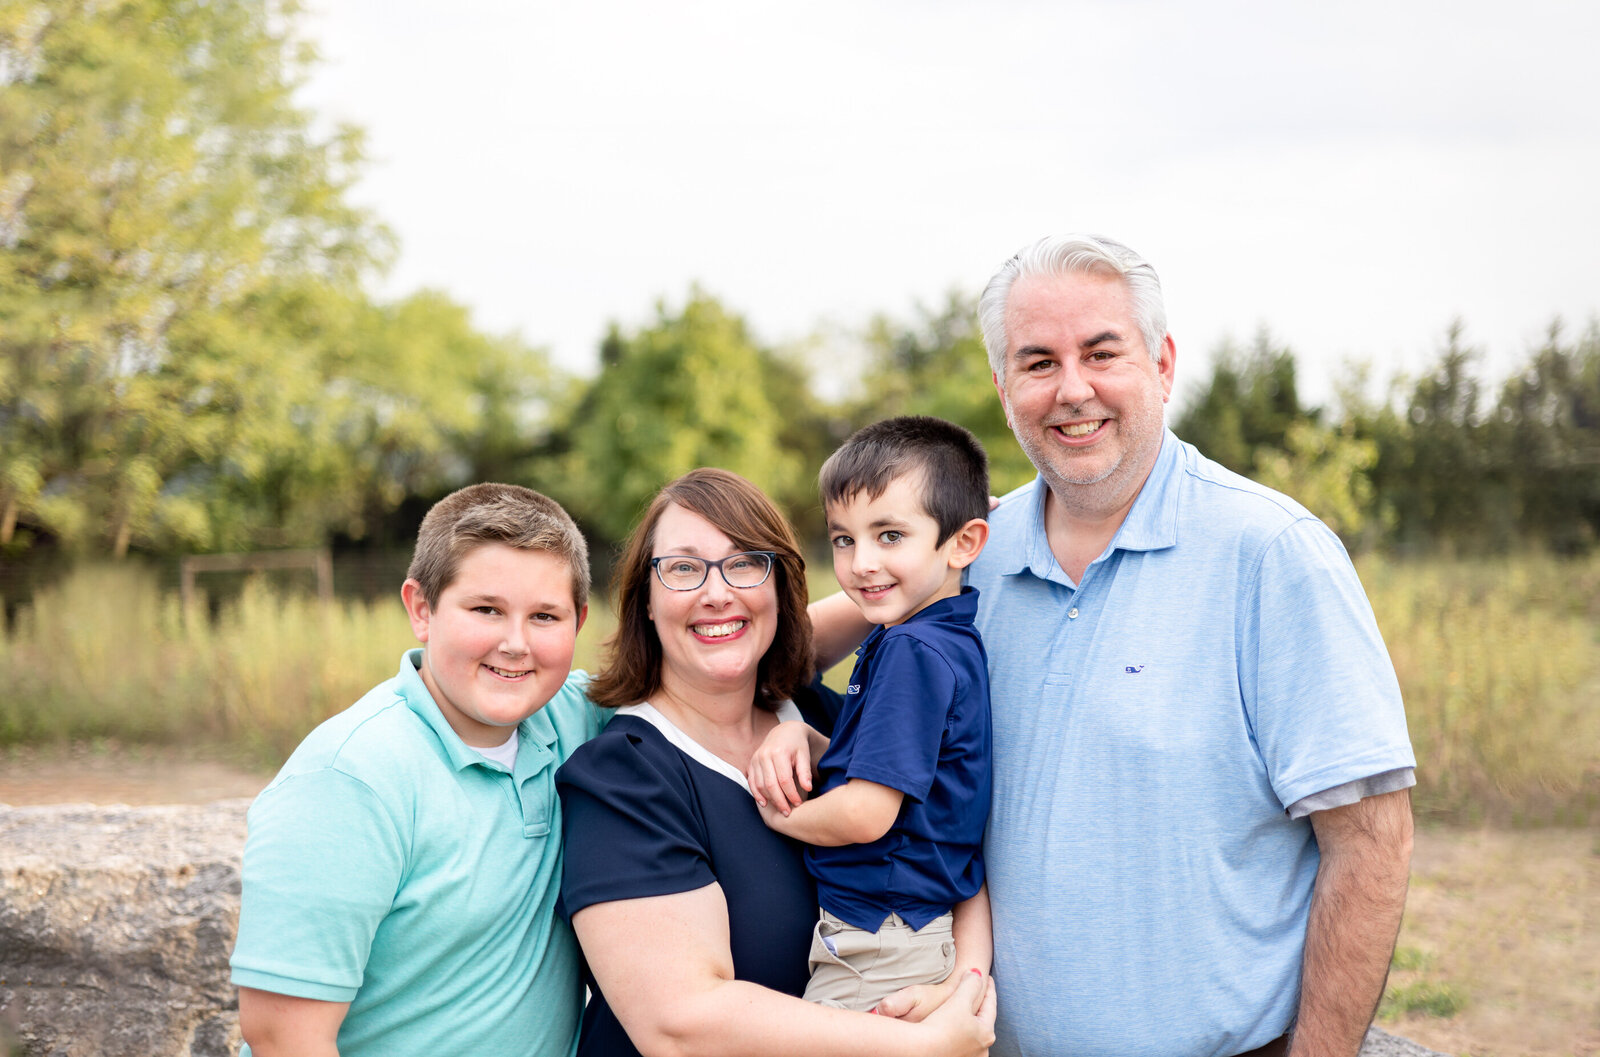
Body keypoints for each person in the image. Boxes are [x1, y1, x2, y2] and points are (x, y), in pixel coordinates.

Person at [813, 234, 1417, 1057]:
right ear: (1003, 387)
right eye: (1037, 362)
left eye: (1102, 352)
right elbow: (769, 652)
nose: (1072, 389)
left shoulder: (1272, 555)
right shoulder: (972, 552)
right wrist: (782, 722)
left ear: (1163, 364)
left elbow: (1370, 842)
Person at [555, 467, 996, 1057]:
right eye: (683, 568)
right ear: (647, 602)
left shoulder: (833, 717)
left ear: (779, 588)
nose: (717, 593)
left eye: (745, 564)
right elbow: (680, 1025)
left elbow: (952, 841)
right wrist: (915, 1046)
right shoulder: (623, 776)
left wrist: (959, 986)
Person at [230, 483, 602, 1057]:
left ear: (578, 622)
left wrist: (791, 727)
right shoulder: (350, 778)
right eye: (486, 609)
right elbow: (284, 1037)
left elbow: (715, 676)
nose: (516, 644)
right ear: (421, 609)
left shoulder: (579, 719)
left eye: (545, 617)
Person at [747, 416, 994, 1014]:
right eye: (843, 539)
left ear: (963, 543)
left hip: (880, 945)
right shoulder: (934, 638)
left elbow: (865, 814)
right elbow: (908, 783)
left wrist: (777, 818)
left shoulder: (913, 650)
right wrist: (809, 738)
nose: (860, 563)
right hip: (900, 934)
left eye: (889, 536)